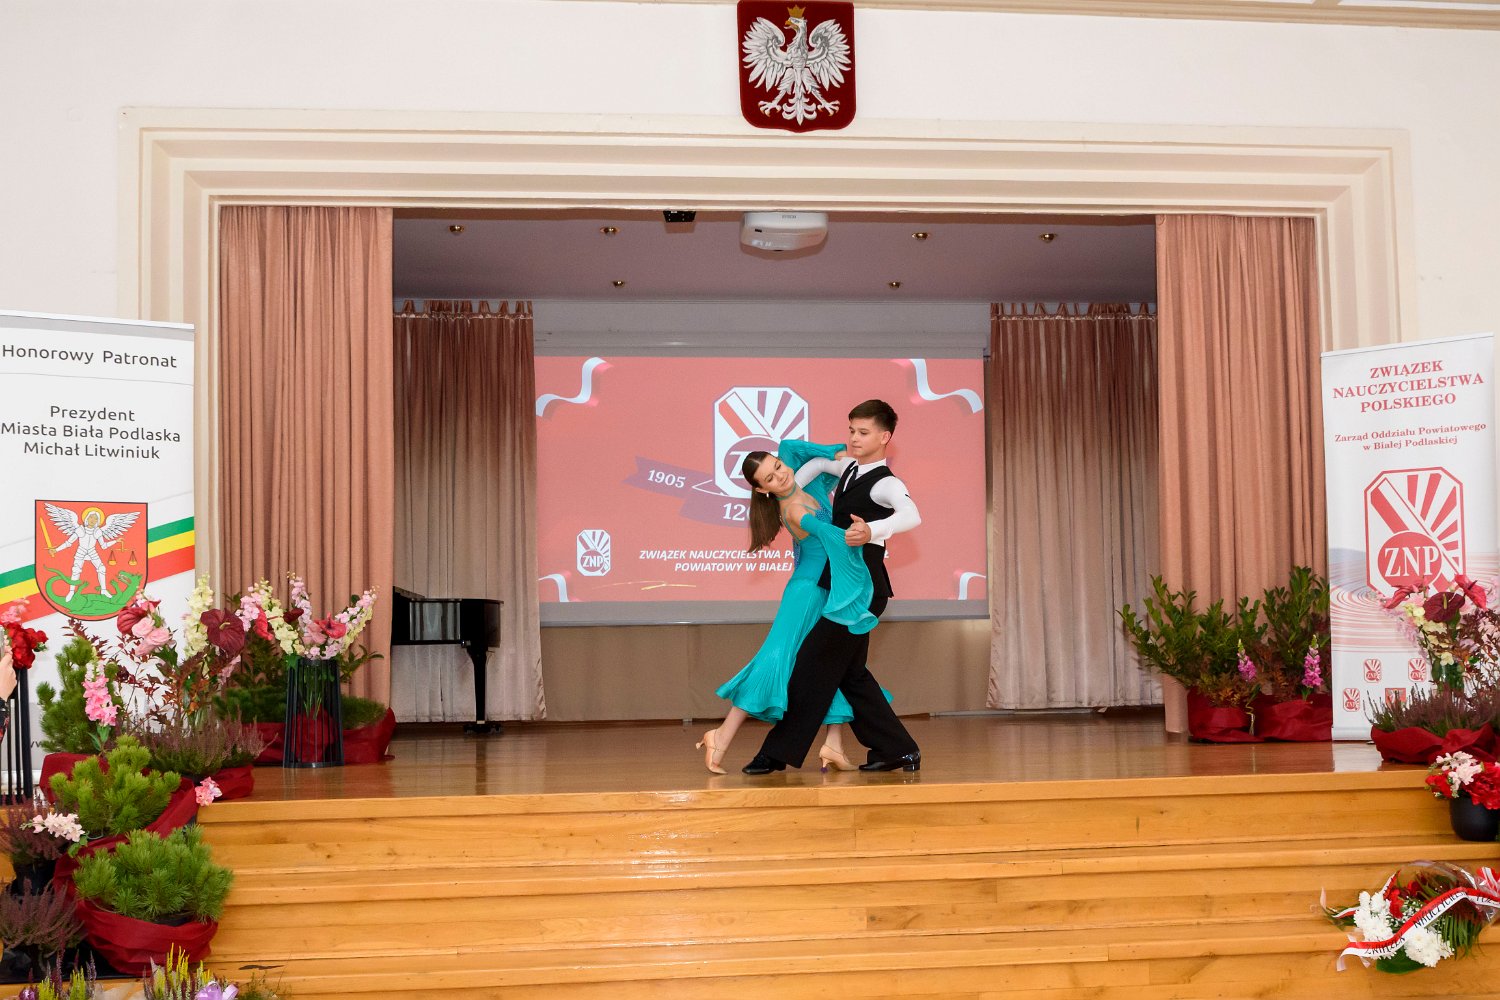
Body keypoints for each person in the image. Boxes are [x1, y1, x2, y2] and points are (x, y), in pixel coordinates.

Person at [743, 399, 923, 775]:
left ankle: (775, 754)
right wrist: (822, 458)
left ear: (885, 437)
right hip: (842, 585)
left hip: (862, 590)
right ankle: (899, 749)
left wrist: (871, 529)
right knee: (851, 675)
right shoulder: (849, 468)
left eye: (864, 432)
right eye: (851, 431)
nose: (854, 439)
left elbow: (911, 514)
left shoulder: (886, 483)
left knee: (812, 664)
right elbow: (809, 466)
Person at [698, 438, 882, 773]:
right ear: (762, 490)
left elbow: (789, 446)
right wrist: (869, 534)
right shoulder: (793, 508)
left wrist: (831, 451)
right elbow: (832, 536)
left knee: (832, 664)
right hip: (806, 593)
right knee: (775, 659)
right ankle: (721, 736)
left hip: (827, 588)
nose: (780, 475)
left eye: (778, 467)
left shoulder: (807, 481)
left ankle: (834, 744)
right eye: (769, 478)